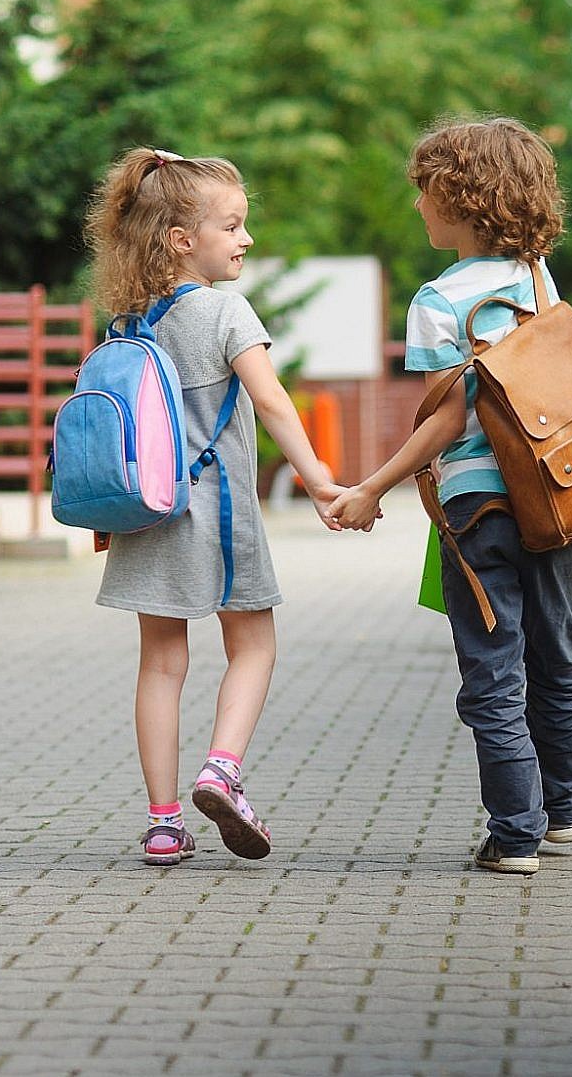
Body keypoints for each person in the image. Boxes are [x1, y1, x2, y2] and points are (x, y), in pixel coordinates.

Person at [326, 118, 572, 877]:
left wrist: (371, 488)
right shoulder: (538, 277)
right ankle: (564, 815)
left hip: (477, 507)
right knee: (557, 655)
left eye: (426, 192)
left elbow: (446, 420)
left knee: (493, 672)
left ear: (463, 198)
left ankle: (515, 834)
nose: (418, 206)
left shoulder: (438, 301)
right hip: (555, 496)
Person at [83, 147, 343, 866]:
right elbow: (273, 401)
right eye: (231, 226)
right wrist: (319, 480)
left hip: (146, 517)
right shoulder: (226, 311)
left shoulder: (128, 324)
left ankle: (163, 823)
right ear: (180, 239)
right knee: (253, 645)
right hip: (221, 517)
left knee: (161, 665)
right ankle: (221, 770)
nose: (246, 238)